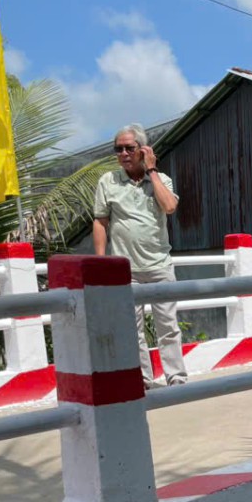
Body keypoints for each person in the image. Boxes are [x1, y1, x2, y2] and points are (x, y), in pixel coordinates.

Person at [92, 124, 187, 388]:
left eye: (129, 148)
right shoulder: (108, 181)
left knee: (168, 327)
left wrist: (152, 170)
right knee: (131, 330)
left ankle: (176, 378)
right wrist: (101, 262)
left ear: (143, 150)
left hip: (159, 265)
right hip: (125, 269)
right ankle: (142, 379)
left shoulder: (161, 179)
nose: (123, 153)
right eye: (118, 148)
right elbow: (100, 221)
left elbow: (170, 206)